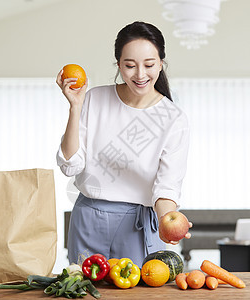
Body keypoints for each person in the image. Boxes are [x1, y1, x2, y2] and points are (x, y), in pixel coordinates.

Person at [56, 21, 191, 267]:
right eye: (130, 66)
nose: (140, 75)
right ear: (118, 65)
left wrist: (167, 221)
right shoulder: (94, 99)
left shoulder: (173, 119)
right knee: (83, 292)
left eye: (149, 65)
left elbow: (166, 188)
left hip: (138, 227)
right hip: (88, 221)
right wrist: (75, 107)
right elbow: (70, 166)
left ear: (161, 63)